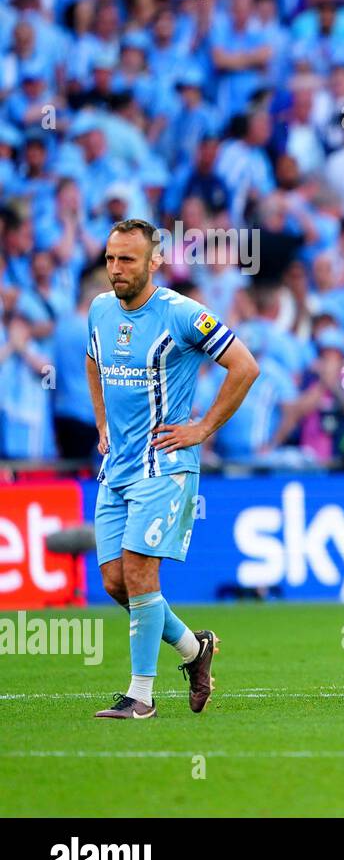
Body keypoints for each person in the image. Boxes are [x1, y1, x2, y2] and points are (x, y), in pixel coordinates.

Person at [86, 219, 259, 719]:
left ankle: (140, 696)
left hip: (165, 465)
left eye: (127, 260)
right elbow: (94, 363)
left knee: (140, 575)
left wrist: (202, 428)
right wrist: (101, 423)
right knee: (117, 583)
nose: (116, 269)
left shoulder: (183, 315)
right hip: (116, 468)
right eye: (111, 258)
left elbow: (245, 366)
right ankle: (193, 648)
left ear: (154, 262)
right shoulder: (99, 310)